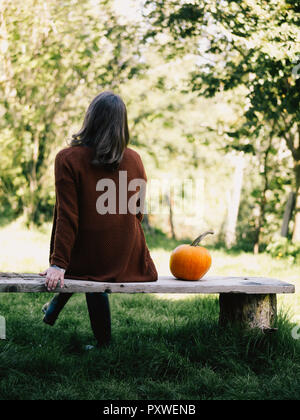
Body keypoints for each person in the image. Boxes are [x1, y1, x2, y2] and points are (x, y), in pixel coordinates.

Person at [39, 91, 158, 348]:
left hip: (93, 259)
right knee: (90, 262)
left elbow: (67, 216)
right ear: (121, 124)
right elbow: (138, 211)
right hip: (128, 256)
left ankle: (103, 343)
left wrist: (58, 264)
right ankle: (53, 311)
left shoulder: (67, 158)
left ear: (90, 118)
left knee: (89, 269)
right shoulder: (134, 158)